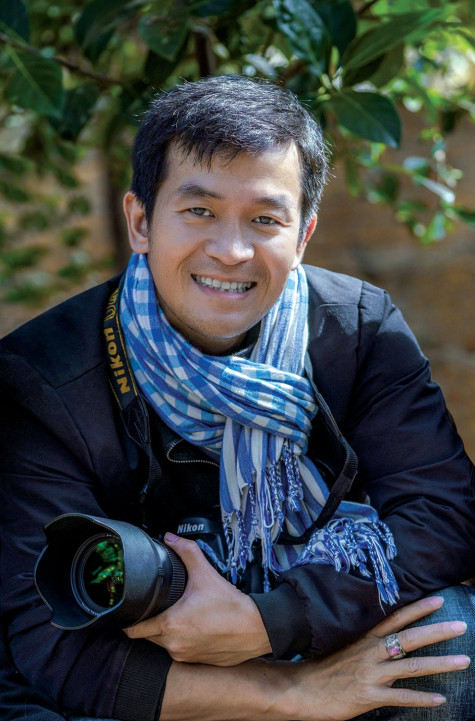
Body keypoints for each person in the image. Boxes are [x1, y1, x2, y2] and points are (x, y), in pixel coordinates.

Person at [0, 75, 473, 721]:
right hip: (157, 679)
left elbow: (443, 516)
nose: (231, 251)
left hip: (319, 633)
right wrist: (294, 694)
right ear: (140, 221)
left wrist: (272, 619)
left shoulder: (358, 329)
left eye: (264, 219)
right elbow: (50, 643)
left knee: (451, 639)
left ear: (302, 237)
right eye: (199, 211)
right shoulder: (43, 377)